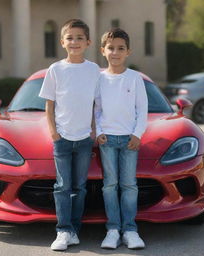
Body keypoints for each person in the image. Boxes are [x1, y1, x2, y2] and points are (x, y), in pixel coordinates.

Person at [39, 19, 100, 251]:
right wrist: (54, 133)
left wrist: (94, 132)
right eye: (70, 38)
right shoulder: (55, 69)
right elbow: (49, 105)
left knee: (80, 187)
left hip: (85, 139)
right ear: (62, 41)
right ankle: (62, 231)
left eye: (79, 38)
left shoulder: (94, 69)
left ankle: (74, 230)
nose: (74, 42)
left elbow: (97, 104)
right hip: (62, 138)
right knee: (62, 186)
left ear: (88, 42)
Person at [94, 28, 148, 249]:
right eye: (111, 48)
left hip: (129, 140)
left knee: (129, 185)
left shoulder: (135, 78)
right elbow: (95, 110)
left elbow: (142, 110)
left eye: (120, 48)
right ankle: (113, 230)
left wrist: (137, 134)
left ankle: (130, 230)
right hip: (107, 140)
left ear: (128, 52)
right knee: (109, 185)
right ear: (103, 51)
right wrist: (98, 132)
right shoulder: (98, 79)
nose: (115, 52)